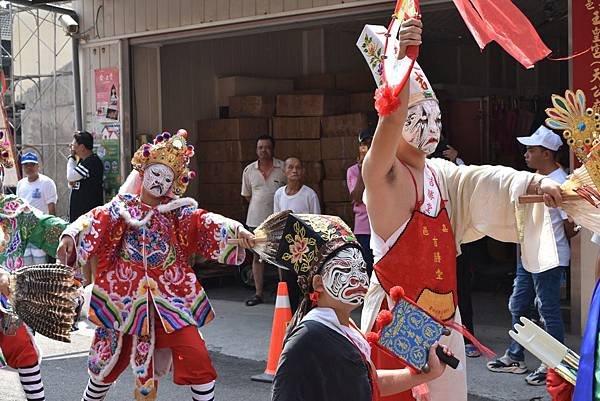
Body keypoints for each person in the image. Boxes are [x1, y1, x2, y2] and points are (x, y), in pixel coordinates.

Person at [357, 18, 563, 401]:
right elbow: (389, 119)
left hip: (446, 316)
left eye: (436, 117)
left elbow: (484, 182)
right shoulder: (383, 175)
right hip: (399, 315)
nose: (431, 126)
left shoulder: (441, 174)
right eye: (420, 117)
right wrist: (400, 63)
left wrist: (537, 183)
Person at [57, 130, 255, 401]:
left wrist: (235, 230)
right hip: (125, 299)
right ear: (143, 171)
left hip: (169, 300)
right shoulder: (122, 209)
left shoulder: (176, 213)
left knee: (196, 354)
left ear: (174, 183)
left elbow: (205, 221)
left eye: (167, 178)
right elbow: (95, 219)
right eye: (155, 173)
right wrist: (70, 235)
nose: (159, 181)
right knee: (106, 365)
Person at [269, 213, 451, 401]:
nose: (358, 278)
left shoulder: (346, 327)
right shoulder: (306, 338)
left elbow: (371, 383)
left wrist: (429, 372)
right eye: (346, 269)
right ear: (318, 284)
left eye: (362, 268)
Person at [487, 126, 575, 386]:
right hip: (528, 254)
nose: (526, 154)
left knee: (547, 309)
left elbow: (570, 227)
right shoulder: (532, 179)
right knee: (518, 304)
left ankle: (553, 365)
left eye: (531, 150)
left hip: (549, 256)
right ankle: (516, 356)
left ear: (546, 154)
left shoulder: (562, 182)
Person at [0, 137, 68, 401]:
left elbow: (45, 225)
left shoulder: (13, 210)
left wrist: (69, 235)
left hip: (8, 303)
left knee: (24, 351)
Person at [241, 134, 286, 306]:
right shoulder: (249, 170)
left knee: (281, 257)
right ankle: (258, 293)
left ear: (273, 149)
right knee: (258, 257)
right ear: (256, 150)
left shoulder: (282, 168)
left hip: (278, 220)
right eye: (260, 147)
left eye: (267, 147)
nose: (263, 151)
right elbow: (247, 196)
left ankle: (284, 293)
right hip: (255, 220)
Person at [273, 157, 320, 312]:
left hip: (306, 248)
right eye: (291, 167)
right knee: (289, 284)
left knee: (306, 285)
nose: (294, 171)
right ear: (284, 171)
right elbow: (277, 221)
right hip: (287, 248)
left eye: (298, 167)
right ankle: (291, 317)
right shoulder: (279, 194)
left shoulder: (309, 194)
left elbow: (317, 222)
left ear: (303, 171)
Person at [16, 152, 58, 265]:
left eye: (32, 164)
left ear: (38, 166)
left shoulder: (47, 183)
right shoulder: (20, 184)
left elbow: (52, 208)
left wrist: (50, 231)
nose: (29, 168)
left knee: (40, 264)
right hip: (25, 231)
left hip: (40, 229)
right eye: (26, 165)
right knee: (27, 264)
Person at [347, 128, 376, 277]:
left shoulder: (383, 168)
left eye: (371, 144)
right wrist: (364, 167)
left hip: (380, 226)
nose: (368, 148)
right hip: (363, 229)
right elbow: (357, 197)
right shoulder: (352, 171)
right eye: (364, 144)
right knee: (366, 268)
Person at [67, 130, 104, 223]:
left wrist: (71, 157)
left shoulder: (92, 162)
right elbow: (72, 181)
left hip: (88, 215)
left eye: (73, 145)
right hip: (79, 215)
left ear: (82, 147)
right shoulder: (83, 161)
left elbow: (70, 176)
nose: (72, 148)